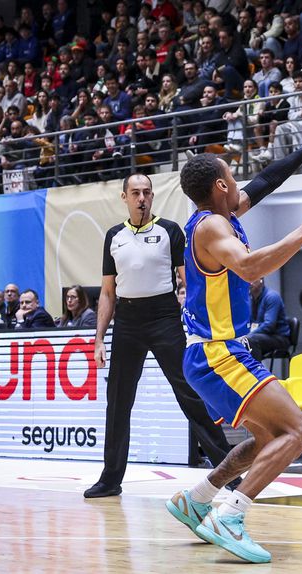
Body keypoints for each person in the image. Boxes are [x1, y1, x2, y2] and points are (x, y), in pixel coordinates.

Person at [166, 108, 302, 564]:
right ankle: (231, 515)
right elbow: (248, 266)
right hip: (218, 353)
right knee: (300, 430)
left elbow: (264, 183)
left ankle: (199, 497)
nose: (239, 179)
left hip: (213, 354)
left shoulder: (222, 212)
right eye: (231, 174)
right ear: (220, 186)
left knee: (267, 440)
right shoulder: (213, 226)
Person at [84, 172, 235, 499]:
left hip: (164, 318)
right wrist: (98, 339)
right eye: (135, 192)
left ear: (153, 197)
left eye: (147, 192)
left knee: (190, 395)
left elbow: (189, 279)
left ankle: (229, 468)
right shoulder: (113, 236)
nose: (142, 198)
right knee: (118, 402)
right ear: (124, 197)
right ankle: (110, 479)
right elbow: (107, 292)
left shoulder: (170, 231)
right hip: (127, 321)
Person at [245, 278, 291, 362]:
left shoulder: (272, 297)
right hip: (261, 335)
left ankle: (257, 373)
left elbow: (269, 325)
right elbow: (248, 321)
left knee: (250, 340)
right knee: (241, 341)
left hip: (279, 337)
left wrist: (248, 335)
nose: (249, 283)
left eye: (252, 279)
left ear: (261, 280)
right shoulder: (250, 298)